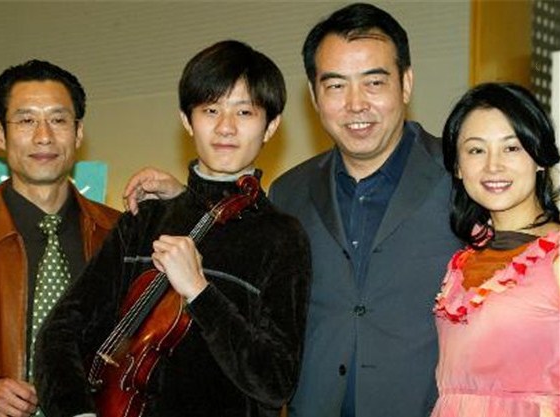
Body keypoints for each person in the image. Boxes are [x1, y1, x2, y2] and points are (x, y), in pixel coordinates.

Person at [123, 4, 462, 417]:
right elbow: (238, 256)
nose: (356, 104)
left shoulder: (460, 177)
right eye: (335, 85)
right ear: (314, 96)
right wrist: (185, 199)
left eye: (374, 82)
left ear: (405, 84)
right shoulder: (290, 192)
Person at [33, 40, 311, 417]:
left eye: (245, 112)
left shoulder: (282, 236)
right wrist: (76, 410)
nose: (225, 127)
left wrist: (199, 291)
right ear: (186, 120)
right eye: (210, 110)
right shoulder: (145, 218)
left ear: (270, 126)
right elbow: (60, 331)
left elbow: (276, 381)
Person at [0, 60, 120, 417]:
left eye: (58, 120)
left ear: (78, 133)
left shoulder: (121, 235)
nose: (44, 136)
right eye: (26, 120)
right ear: (0, 134)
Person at [431, 82, 560, 416]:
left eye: (511, 148)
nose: (493, 166)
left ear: (539, 157)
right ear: (458, 167)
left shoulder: (556, 257)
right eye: (476, 150)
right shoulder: (462, 259)